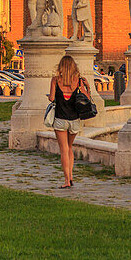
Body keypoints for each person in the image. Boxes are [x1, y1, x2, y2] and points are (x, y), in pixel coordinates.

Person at [49, 55, 92, 188]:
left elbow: (51, 98)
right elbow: (87, 98)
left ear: (61, 67)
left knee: (64, 149)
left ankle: (67, 180)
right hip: (74, 120)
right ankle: (71, 176)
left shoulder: (56, 80)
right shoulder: (78, 81)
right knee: (69, 147)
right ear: (74, 67)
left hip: (60, 119)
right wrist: (87, 87)